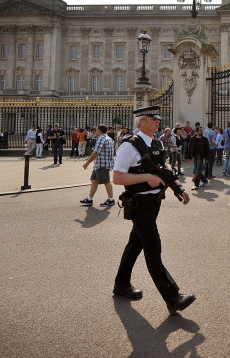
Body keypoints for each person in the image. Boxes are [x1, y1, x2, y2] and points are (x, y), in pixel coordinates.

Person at [112, 105, 194, 314]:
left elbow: (163, 169)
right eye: (153, 119)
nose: (158, 122)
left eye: (158, 119)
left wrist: (179, 188)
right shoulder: (128, 146)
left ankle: (121, 284)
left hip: (153, 202)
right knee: (153, 249)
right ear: (142, 122)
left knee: (135, 245)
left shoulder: (156, 143)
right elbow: (118, 177)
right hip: (139, 204)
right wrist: (146, 178)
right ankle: (172, 297)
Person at [80, 124, 116, 207]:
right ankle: (90, 199)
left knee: (106, 182)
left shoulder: (101, 139)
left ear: (99, 131)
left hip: (101, 164)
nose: (96, 132)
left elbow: (96, 152)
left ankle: (111, 199)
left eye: (96, 130)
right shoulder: (110, 139)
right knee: (94, 180)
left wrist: (87, 162)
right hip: (102, 163)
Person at [188, 126, 210, 190]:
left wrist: (207, 158)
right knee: (196, 168)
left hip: (201, 156)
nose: (202, 132)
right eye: (200, 131)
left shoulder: (204, 139)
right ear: (196, 132)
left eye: (202, 130)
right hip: (195, 155)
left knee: (198, 169)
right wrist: (189, 157)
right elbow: (190, 147)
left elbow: (207, 149)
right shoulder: (193, 138)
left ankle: (196, 184)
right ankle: (204, 180)